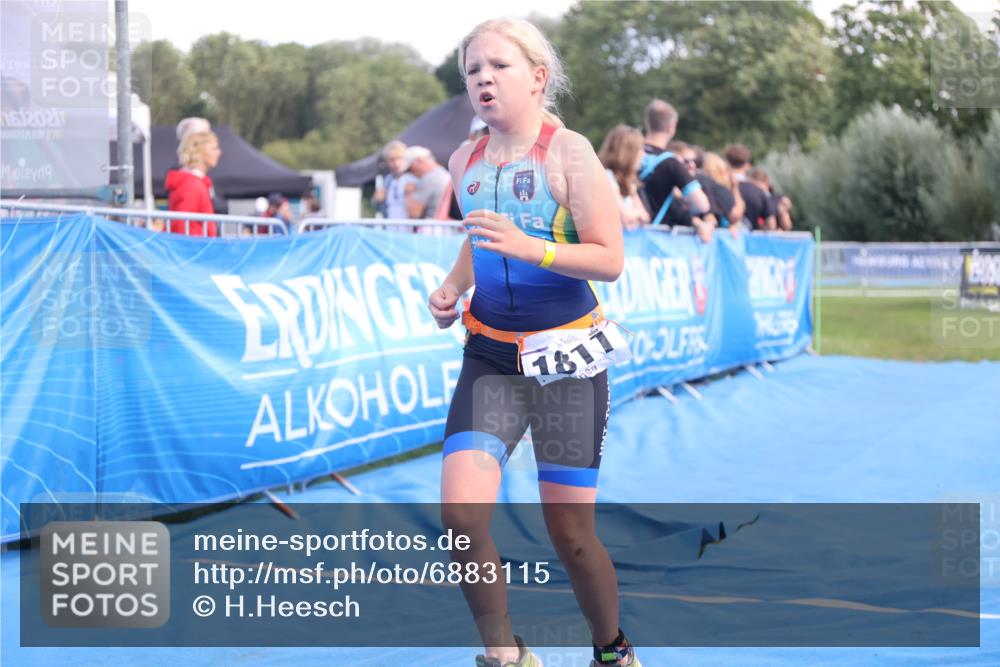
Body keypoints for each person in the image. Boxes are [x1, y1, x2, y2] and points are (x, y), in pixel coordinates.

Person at [427, 17, 642, 667]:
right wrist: (451, 287)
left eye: (499, 65)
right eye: (472, 71)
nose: (483, 78)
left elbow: (609, 259)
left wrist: (536, 249)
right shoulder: (461, 159)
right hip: (490, 355)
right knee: (462, 518)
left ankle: (612, 649)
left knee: (571, 535)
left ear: (538, 77)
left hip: (566, 362)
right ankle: (506, 653)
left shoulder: (569, 152)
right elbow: (480, 237)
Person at [638, 99, 710, 228]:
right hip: (654, 237)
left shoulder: (628, 154)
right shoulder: (671, 163)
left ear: (647, 123)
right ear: (671, 127)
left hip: (622, 233)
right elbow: (702, 205)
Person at [165, 129, 221, 236]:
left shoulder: (194, 182)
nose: (218, 152)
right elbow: (181, 226)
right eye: (213, 149)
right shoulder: (192, 185)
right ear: (199, 152)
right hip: (194, 248)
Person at [597, 125, 649, 229]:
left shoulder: (630, 182)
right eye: (639, 149)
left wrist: (634, 214)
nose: (644, 154)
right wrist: (636, 214)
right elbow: (624, 216)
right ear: (626, 153)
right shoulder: (607, 177)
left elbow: (646, 217)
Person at [724, 143, 776, 231]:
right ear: (746, 165)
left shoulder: (721, 187)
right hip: (749, 242)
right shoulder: (759, 192)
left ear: (727, 162)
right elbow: (771, 225)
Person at [372, 140, 414, 220]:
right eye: (392, 160)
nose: (396, 164)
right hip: (390, 227)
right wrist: (376, 200)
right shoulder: (388, 180)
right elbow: (378, 206)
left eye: (399, 159)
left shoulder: (414, 178)